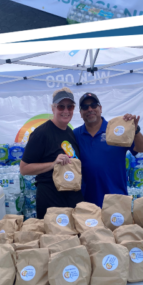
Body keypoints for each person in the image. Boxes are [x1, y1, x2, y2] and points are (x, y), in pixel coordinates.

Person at [72, 92, 143, 207]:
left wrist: (135, 130)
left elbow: (142, 149)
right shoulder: (75, 135)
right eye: (85, 107)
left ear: (100, 108)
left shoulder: (117, 130)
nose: (90, 109)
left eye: (93, 105)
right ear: (81, 113)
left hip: (116, 199)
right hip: (87, 203)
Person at [21, 88, 84, 218]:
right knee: (54, 238)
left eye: (70, 107)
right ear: (53, 108)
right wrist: (53, 163)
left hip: (72, 197)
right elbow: (24, 169)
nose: (66, 111)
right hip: (51, 198)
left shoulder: (70, 133)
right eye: (61, 106)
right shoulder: (41, 133)